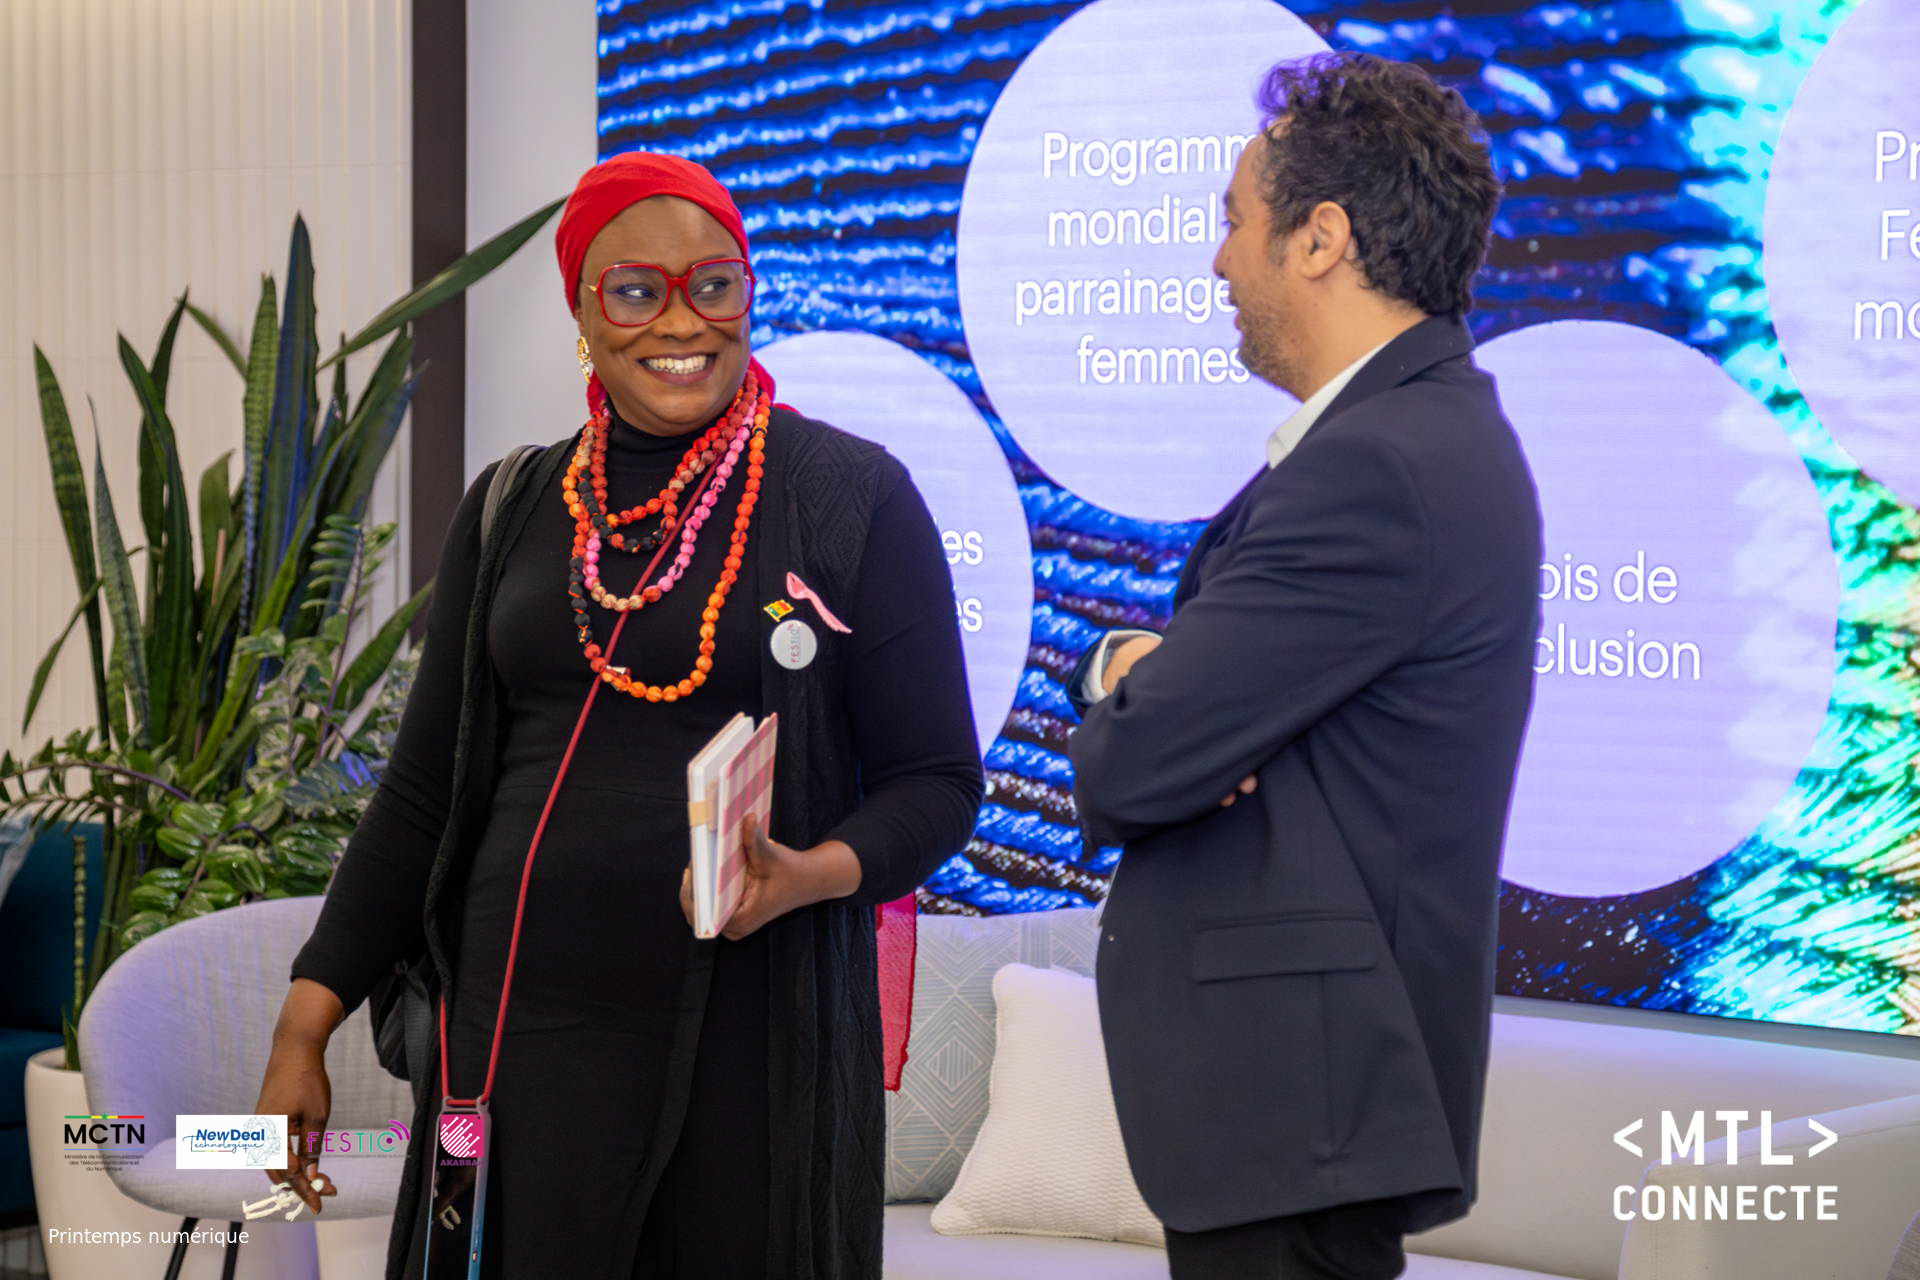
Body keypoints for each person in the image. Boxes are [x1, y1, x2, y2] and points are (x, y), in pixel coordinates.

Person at [253, 151, 984, 1280]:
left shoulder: (849, 497)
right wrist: (306, 1021)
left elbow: (937, 782)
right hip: (512, 1038)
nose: (681, 321)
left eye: (714, 284)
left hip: (749, 1041)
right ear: (584, 316)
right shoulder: (511, 504)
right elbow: (422, 794)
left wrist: (810, 872)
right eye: (636, 291)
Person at [1068, 53, 1540, 1280]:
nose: (1220, 262)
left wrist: (1140, 696)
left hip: (1297, 1110)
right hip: (1300, 1115)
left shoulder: (1376, 465)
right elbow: (1179, 721)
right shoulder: (1416, 434)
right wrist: (1143, 671)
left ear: (1321, 237)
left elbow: (1133, 761)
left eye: (1235, 221)